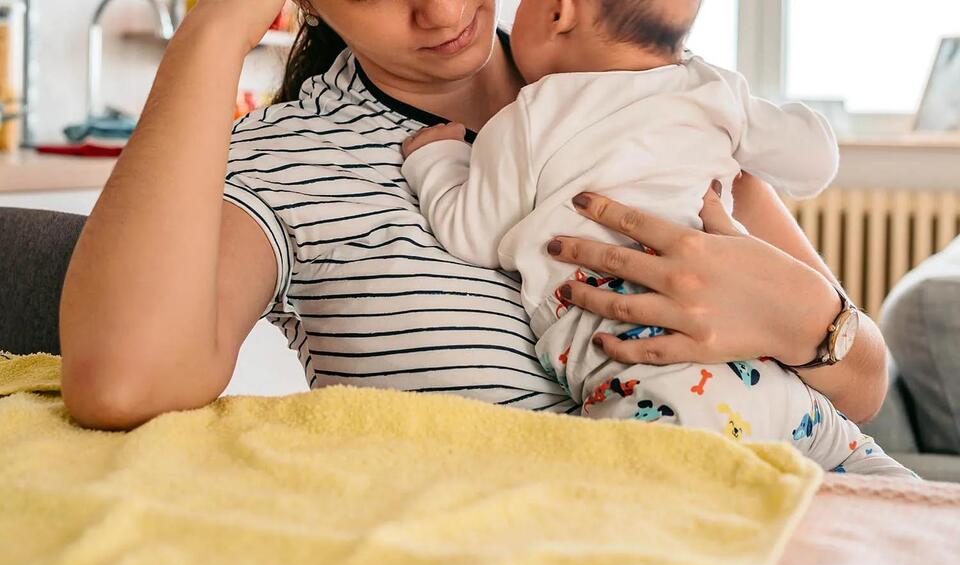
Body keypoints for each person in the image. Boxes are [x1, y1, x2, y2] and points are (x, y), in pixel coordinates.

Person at [59, 0, 892, 445]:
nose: (438, 9)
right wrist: (215, 28)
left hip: (794, 528)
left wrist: (801, 318)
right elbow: (123, 382)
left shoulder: (637, 80)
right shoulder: (294, 158)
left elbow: (864, 384)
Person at [396, 0, 912, 476]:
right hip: (785, 391)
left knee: (653, 515)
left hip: (664, 391)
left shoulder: (526, 118)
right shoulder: (711, 88)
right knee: (898, 503)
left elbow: (472, 232)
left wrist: (436, 161)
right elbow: (815, 162)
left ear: (560, 13)